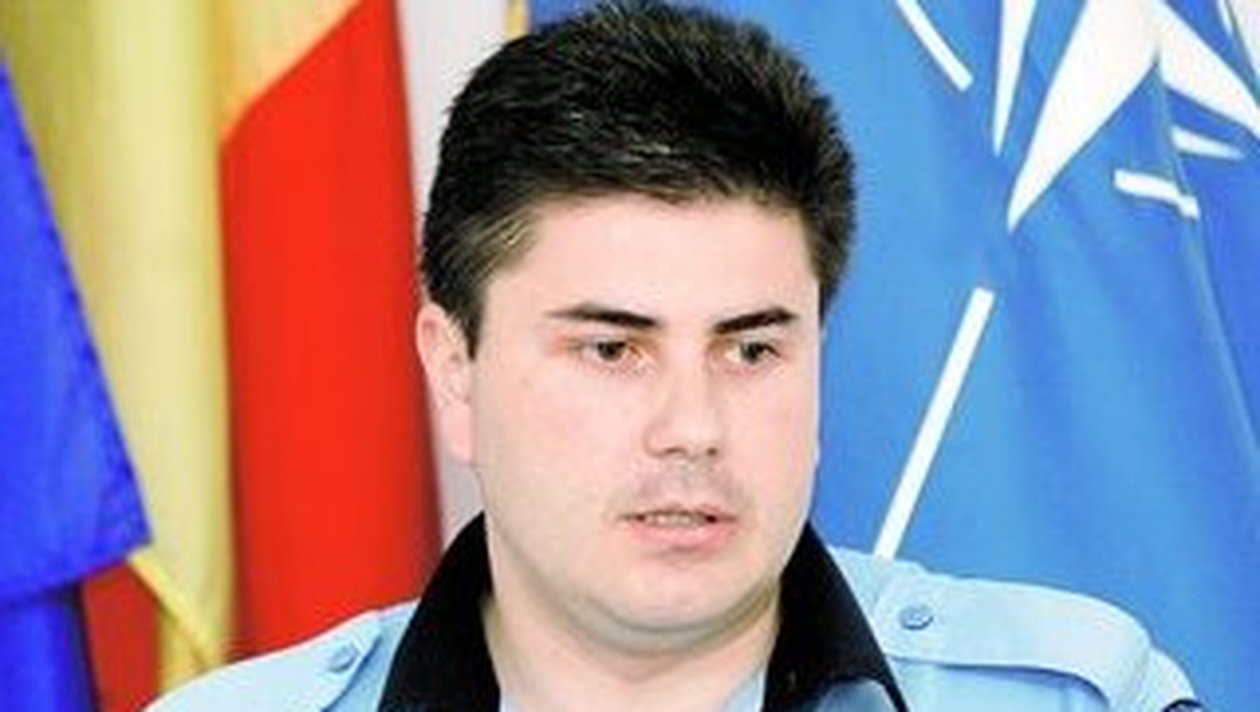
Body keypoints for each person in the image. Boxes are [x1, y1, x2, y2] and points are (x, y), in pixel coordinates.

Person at [149, 2, 1203, 710]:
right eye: (613, 348)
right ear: (454, 365)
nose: (693, 426)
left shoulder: (1083, 695)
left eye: (751, 348)